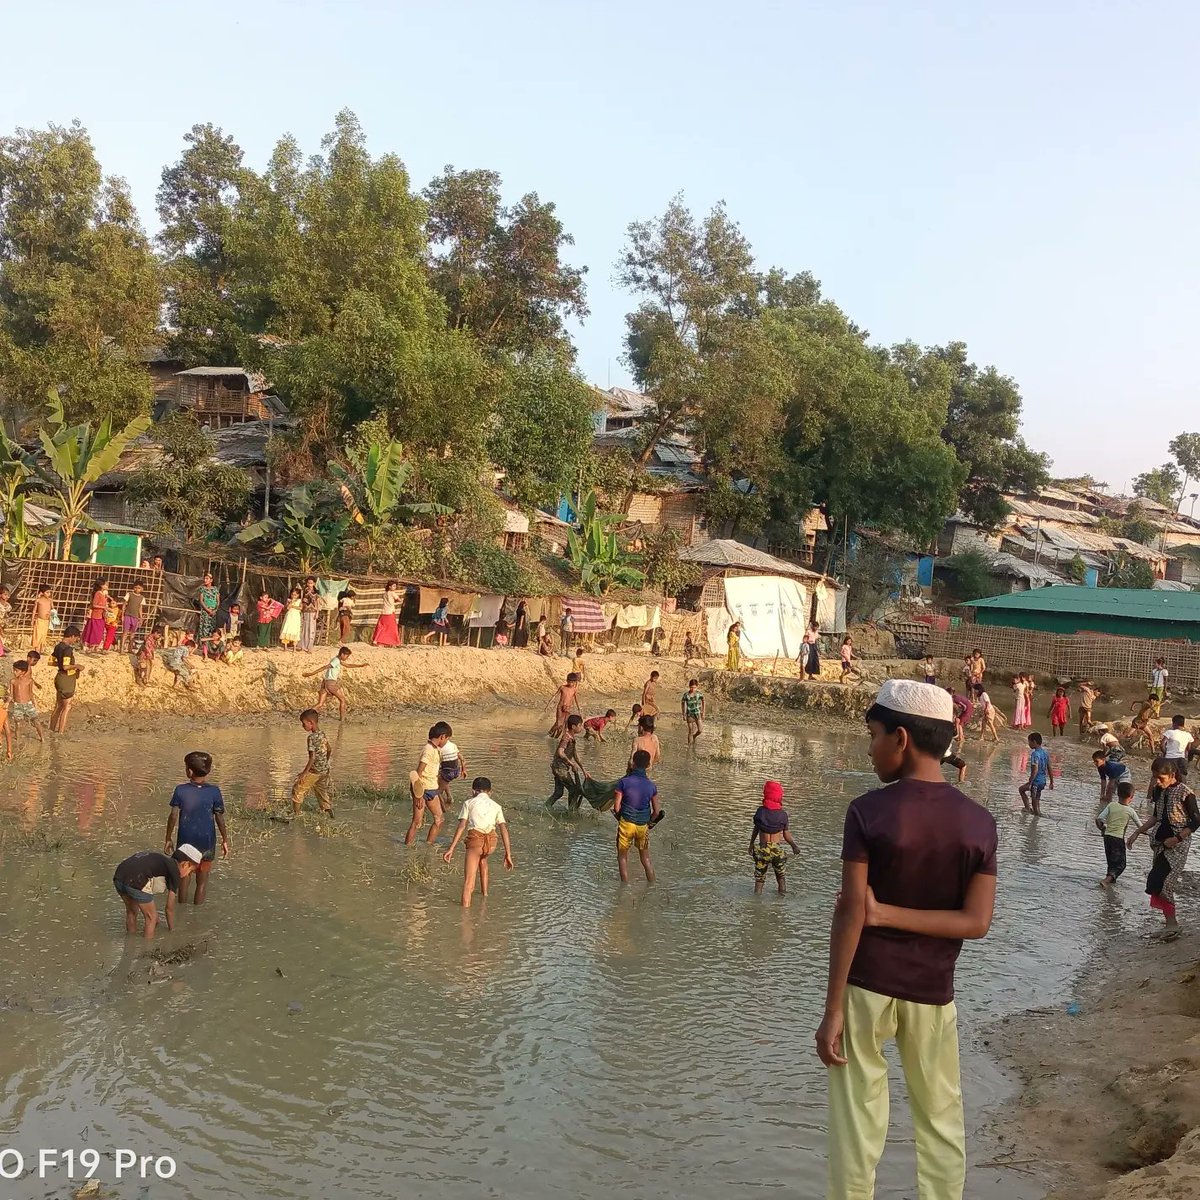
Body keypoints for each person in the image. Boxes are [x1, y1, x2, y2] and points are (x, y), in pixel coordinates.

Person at [816, 679, 997, 1200]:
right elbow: (975, 922)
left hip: (866, 985)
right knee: (941, 1119)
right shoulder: (979, 823)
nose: (868, 748)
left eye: (872, 735)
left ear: (900, 738)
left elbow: (852, 911)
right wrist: (892, 913)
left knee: (857, 1125)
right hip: (934, 993)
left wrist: (832, 1009)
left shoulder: (868, 812)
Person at [1128, 758, 1199, 941]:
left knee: (1166, 883)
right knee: (1155, 882)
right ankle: (1170, 924)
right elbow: (1155, 817)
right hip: (1159, 842)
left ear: (1172, 775)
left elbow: (1196, 821)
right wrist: (1137, 832)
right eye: (1155, 778)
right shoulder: (1159, 790)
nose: (1157, 781)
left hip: (1177, 845)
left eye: (1160, 778)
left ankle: (1173, 924)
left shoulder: (1186, 793)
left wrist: (1176, 839)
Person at [165, 750, 229, 905]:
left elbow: (173, 816)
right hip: (206, 843)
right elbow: (219, 817)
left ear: (189, 771)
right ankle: (196, 914)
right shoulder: (214, 791)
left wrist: (168, 838)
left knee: (184, 880)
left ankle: (181, 911)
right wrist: (225, 839)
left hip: (185, 843)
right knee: (202, 883)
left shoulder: (181, 790)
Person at [441, 777, 514, 907]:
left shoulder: (469, 803)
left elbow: (462, 826)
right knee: (483, 860)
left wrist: (451, 848)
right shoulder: (497, 806)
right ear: (490, 792)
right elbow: (503, 830)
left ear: (473, 791)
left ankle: (465, 914)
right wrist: (508, 854)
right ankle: (485, 895)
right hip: (491, 843)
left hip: (475, 841)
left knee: (469, 882)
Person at [113, 846, 201, 939]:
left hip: (119, 875)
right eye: (190, 871)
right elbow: (169, 909)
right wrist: (172, 930)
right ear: (185, 864)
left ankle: (130, 944)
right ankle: (147, 949)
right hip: (137, 879)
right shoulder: (175, 873)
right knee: (152, 918)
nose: (188, 874)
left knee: (132, 912)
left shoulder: (164, 861)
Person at [613, 748, 661, 883]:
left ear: (632, 763)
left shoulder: (623, 782)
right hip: (643, 827)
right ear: (648, 766)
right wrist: (649, 822)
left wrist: (620, 815)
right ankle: (652, 884)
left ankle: (624, 887)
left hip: (626, 824)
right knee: (645, 859)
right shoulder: (652, 786)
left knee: (622, 857)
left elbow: (616, 808)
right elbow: (657, 811)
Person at [748, 780, 798, 894]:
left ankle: (757, 904)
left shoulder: (760, 812)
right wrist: (794, 846)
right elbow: (786, 834)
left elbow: (756, 829)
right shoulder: (783, 815)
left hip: (762, 849)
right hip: (776, 850)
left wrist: (751, 844)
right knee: (781, 878)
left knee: (759, 880)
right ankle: (782, 901)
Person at [406, 721, 451, 844]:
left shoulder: (435, 750)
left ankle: (428, 845)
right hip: (423, 790)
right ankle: (408, 847)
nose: (446, 742)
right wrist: (418, 795)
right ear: (442, 736)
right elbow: (417, 773)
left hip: (431, 789)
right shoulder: (428, 750)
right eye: (447, 739)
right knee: (417, 822)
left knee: (439, 819)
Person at [1096, 780, 1140, 888]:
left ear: (1118, 794)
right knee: (1121, 864)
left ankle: (1109, 882)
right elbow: (1140, 826)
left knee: (1111, 861)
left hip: (1107, 837)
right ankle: (1107, 880)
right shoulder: (1130, 811)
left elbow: (1099, 818)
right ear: (1131, 797)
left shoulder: (1111, 805)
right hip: (1118, 839)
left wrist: (1102, 828)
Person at [292, 709, 335, 817]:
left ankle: (296, 815)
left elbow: (312, 758)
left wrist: (304, 773)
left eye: (303, 723)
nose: (303, 726)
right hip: (324, 770)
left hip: (315, 771)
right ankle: (329, 814)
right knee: (322, 792)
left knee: (298, 789)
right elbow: (329, 749)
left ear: (311, 723)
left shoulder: (311, 738)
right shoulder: (322, 734)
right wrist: (325, 762)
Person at [305, 645, 365, 721]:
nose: (347, 658)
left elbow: (348, 665)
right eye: (347, 656)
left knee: (320, 704)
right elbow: (324, 667)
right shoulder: (336, 661)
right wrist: (311, 674)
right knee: (342, 700)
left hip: (325, 683)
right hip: (331, 683)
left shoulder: (337, 660)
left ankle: (306, 716)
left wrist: (360, 665)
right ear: (342, 654)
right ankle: (342, 720)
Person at [547, 715, 589, 810]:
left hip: (559, 768)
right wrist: (571, 763)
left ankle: (546, 807)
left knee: (558, 793)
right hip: (560, 768)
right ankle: (571, 812)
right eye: (580, 725)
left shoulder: (572, 738)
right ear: (574, 727)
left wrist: (584, 770)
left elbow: (575, 755)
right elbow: (560, 752)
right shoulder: (566, 737)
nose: (581, 727)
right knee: (574, 790)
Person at [50, 628, 84, 733]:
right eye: (76, 639)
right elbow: (65, 667)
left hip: (59, 677)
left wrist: (61, 664)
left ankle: (51, 729)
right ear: (72, 636)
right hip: (66, 679)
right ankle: (60, 732)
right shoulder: (68, 649)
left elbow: (51, 662)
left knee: (58, 705)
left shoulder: (58, 647)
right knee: (67, 707)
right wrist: (77, 666)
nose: (75, 641)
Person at [7, 659, 45, 751]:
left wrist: (34, 704)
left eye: (16, 670)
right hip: (17, 705)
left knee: (36, 722)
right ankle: (18, 740)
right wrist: (7, 702)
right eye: (14, 670)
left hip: (28, 704)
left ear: (23, 672)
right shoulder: (12, 681)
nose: (14, 672)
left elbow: (31, 693)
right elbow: (11, 695)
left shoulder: (29, 681)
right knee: (18, 724)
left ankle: (42, 738)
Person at [1019, 731, 1053, 816]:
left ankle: (1035, 816)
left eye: (1029, 742)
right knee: (1035, 798)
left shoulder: (1035, 754)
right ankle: (1028, 809)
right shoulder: (1045, 753)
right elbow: (1049, 767)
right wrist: (1052, 781)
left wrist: (1030, 781)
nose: (1028, 744)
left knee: (1034, 803)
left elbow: (1035, 769)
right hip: (1043, 781)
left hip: (1036, 782)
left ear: (1034, 742)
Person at [438, 731, 468, 808]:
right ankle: (449, 796)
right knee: (444, 781)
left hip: (447, 772)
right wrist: (463, 770)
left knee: (437, 791)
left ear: (442, 737)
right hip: (455, 771)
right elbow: (461, 757)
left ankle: (443, 809)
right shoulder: (453, 745)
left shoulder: (439, 748)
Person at [548, 672, 581, 738]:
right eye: (569, 682)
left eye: (572, 682)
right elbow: (555, 695)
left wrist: (578, 708)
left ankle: (556, 738)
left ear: (575, 682)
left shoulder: (574, 689)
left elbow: (576, 699)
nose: (570, 684)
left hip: (568, 708)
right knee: (558, 724)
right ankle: (549, 734)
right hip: (560, 707)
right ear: (567, 681)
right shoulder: (562, 687)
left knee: (564, 726)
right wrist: (549, 704)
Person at [373, 580, 403, 647]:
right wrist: (398, 601)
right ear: (390, 587)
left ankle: (376, 641)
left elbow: (389, 602)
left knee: (381, 627)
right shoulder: (392, 593)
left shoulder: (385, 593)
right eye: (394, 586)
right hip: (390, 613)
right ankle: (396, 642)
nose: (395, 587)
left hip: (383, 612)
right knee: (393, 628)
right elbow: (399, 599)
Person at [196, 573, 220, 654]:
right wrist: (208, 610)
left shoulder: (215, 589)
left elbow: (218, 601)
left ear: (211, 580)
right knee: (204, 628)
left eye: (207, 579)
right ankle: (203, 647)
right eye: (205, 578)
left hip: (213, 611)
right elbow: (201, 600)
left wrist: (215, 610)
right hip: (205, 612)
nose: (205, 580)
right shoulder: (202, 589)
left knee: (212, 628)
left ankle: (211, 646)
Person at [82, 580, 109, 651]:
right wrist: (104, 607)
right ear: (101, 585)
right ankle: (90, 646)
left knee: (99, 631)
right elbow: (94, 604)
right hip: (96, 615)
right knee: (94, 631)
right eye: (106, 585)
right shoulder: (98, 593)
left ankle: (96, 646)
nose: (107, 586)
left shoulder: (103, 594)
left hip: (101, 615)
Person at [120, 582, 145, 653]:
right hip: (128, 615)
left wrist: (141, 618)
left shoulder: (142, 598)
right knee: (125, 632)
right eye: (135, 587)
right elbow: (124, 604)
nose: (137, 589)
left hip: (135, 617)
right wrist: (122, 615)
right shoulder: (129, 594)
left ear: (142, 589)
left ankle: (130, 649)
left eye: (139, 588)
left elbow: (140, 608)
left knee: (132, 633)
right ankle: (121, 649)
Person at [681, 679, 705, 744]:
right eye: (691, 687)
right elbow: (682, 703)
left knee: (700, 730)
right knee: (690, 731)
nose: (693, 689)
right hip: (689, 714)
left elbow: (703, 701)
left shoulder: (699, 694)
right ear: (689, 686)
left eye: (694, 687)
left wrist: (703, 712)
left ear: (697, 687)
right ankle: (689, 748)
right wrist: (683, 714)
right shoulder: (686, 695)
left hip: (697, 713)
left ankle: (694, 736)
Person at [299, 577, 319, 653]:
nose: (309, 584)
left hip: (313, 612)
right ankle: (303, 646)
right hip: (305, 612)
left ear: (314, 583)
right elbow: (301, 601)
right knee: (304, 629)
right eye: (308, 583)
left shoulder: (316, 592)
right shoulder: (303, 592)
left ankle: (310, 647)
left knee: (311, 630)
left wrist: (317, 613)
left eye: (311, 583)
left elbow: (317, 603)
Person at [31, 585, 53, 653]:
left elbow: (53, 609)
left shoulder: (50, 600)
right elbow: (34, 610)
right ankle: (36, 649)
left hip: (47, 620)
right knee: (38, 634)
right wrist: (32, 620)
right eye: (47, 592)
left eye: (50, 592)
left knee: (44, 634)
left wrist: (51, 614)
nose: (49, 594)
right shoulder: (38, 600)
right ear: (42, 592)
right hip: (39, 620)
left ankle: (41, 649)